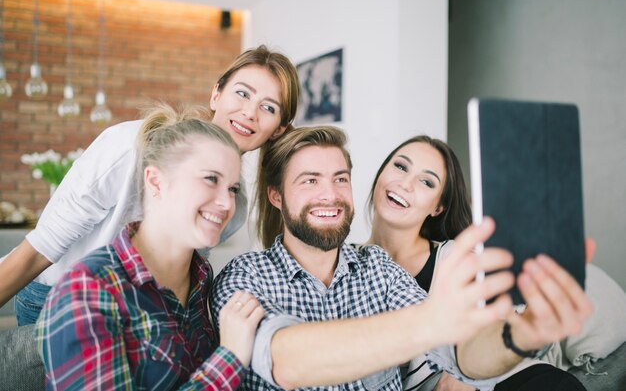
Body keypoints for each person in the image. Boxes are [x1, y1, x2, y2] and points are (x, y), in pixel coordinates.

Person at [212, 125, 537, 390]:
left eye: (340, 179)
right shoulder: (244, 276)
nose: (330, 195)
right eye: (310, 181)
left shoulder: (379, 268)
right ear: (276, 196)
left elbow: (459, 355)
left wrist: (522, 333)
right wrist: (434, 322)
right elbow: (283, 360)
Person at [0, 44, 299, 325]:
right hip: (55, 296)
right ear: (216, 95)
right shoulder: (128, 148)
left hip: (135, 311)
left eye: (268, 108)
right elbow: (39, 250)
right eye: (242, 93)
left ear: (278, 130)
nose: (249, 112)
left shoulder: (232, 204)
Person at [35, 104, 265, 390]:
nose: (227, 203)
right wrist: (229, 359)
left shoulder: (201, 276)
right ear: (156, 181)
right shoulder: (88, 290)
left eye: (232, 189)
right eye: (210, 179)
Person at [364, 135, 592, 390]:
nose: (405, 184)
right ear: (381, 173)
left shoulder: (458, 258)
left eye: (426, 181)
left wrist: (459, 374)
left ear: (437, 208)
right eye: (401, 166)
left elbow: (503, 324)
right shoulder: (342, 266)